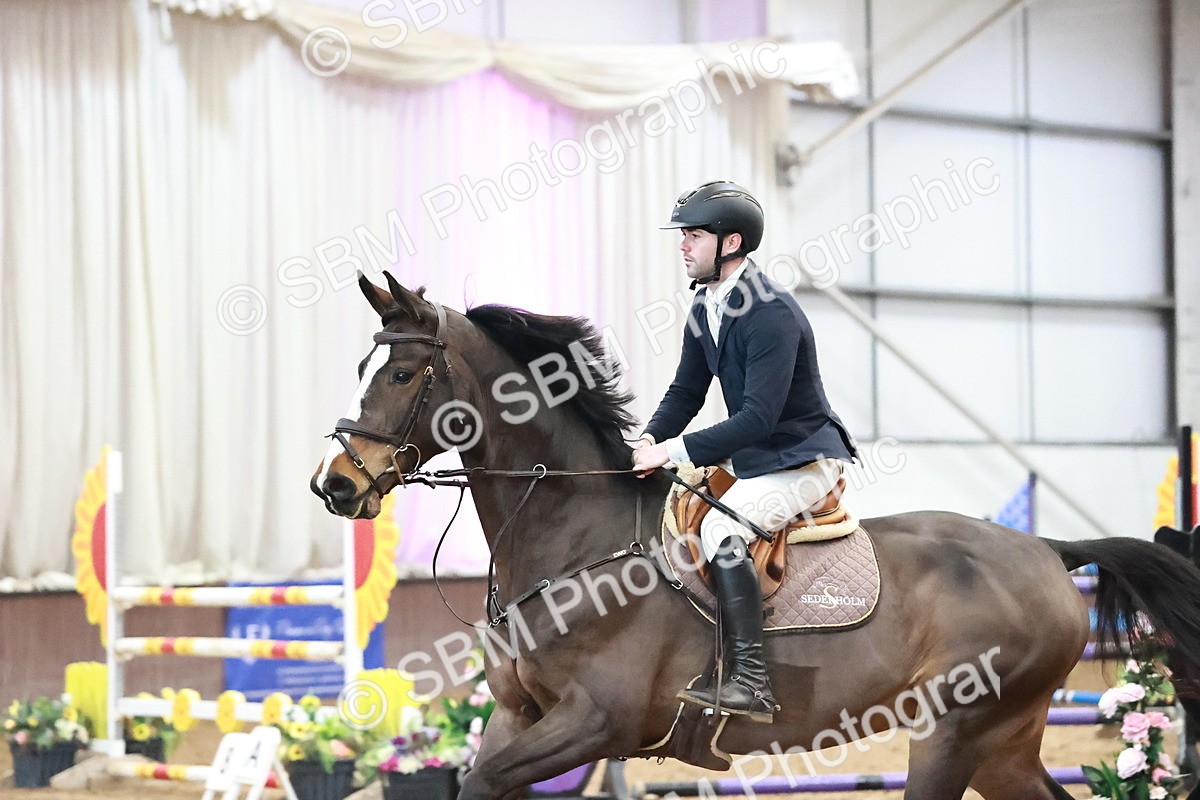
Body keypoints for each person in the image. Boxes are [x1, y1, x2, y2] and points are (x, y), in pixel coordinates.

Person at [631, 180, 858, 723]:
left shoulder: (771, 312)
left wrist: (674, 452)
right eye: (682, 236)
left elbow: (758, 417)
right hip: (757, 456)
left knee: (718, 530)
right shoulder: (706, 306)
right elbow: (687, 391)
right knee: (674, 510)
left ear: (729, 243)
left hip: (802, 459)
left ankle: (752, 682)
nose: (683, 246)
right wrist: (647, 439)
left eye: (693, 236)